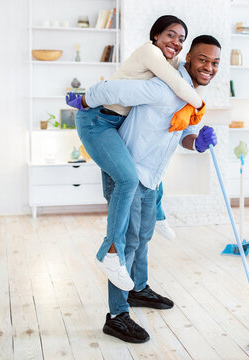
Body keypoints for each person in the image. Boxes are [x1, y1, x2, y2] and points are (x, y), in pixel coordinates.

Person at [81, 35, 221, 343]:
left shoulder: (190, 98)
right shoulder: (163, 86)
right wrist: (85, 99)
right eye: (203, 60)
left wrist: (198, 142)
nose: (209, 67)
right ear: (188, 60)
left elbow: (185, 135)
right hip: (128, 171)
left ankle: (138, 290)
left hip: (152, 178)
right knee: (127, 244)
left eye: (215, 63)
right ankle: (117, 316)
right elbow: (114, 89)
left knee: (143, 237)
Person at [66, 15, 206, 292]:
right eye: (170, 35)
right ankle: (111, 255)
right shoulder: (151, 55)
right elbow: (175, 85)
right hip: (98, 120)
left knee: (152, 180)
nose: (175, 42)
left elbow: (182, 75)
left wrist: (195, 133)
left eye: (181, 39)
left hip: (116, 125)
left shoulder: (170, 66)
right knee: (129, 181)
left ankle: (157, 224)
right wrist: (200, 104)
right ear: (155, 36)